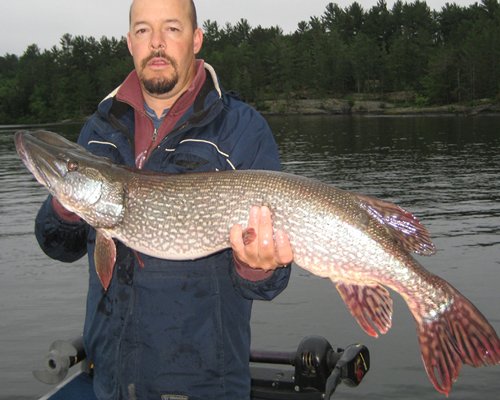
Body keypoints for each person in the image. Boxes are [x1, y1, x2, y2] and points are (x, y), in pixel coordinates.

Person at [34, 0, 293, 399]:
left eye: (171, 29)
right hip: (112, 379)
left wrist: (257, 268)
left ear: (196, 39)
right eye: (143, 31)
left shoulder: (241, 129)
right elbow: (58, 245)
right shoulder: (99, 127)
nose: (156, 43)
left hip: (205, 382)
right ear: (130, 43)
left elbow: (271, 282)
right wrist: (66, 205)